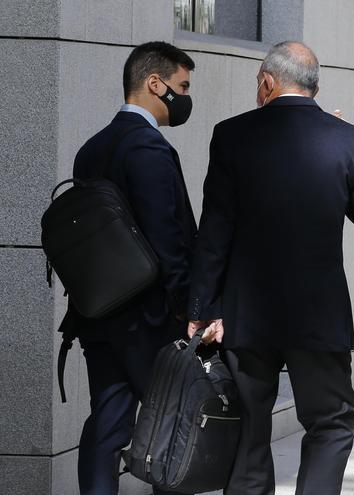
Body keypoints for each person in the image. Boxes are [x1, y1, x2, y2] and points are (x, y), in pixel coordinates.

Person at [187, 41, 354, 494]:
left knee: (248, 428)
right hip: (318, 315)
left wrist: (201, 305)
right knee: (331, 422)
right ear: (315, 87)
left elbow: (215, 228)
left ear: (267, 83)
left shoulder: (232, 134)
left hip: (246, 313)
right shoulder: (348, 138)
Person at [58, 41, 197, 495]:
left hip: (98, 314)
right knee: (171, 425)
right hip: (149, 319)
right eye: (182, 86)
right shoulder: (149, 148)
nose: (185, 96)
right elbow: (168, 239)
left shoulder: (91, 149)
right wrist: (184, 308)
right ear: (154, 83)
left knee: (108, 420)